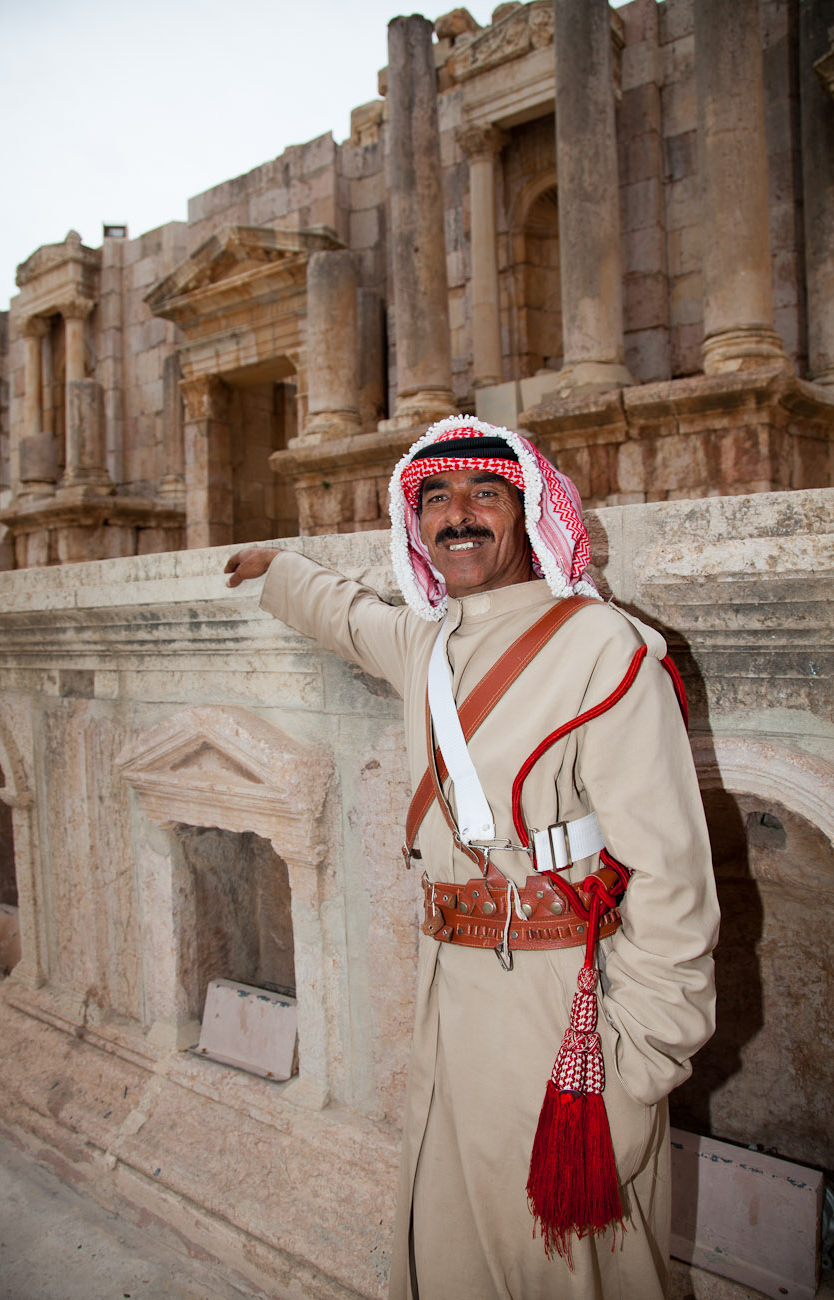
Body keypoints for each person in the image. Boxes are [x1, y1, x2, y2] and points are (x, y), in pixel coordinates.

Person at [224, 416, 719, 1300]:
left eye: (483, 494)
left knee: (565, 1261)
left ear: (528, 513)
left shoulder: (604, 650)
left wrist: (640, 1064)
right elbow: (350, 620)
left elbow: (674, 879)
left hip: (561, 1003)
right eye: (435, 500)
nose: (457, 517)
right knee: (448, 1237)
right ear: (413, 528)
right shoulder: (427, 645)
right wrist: (283, 570)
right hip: (446, 986)